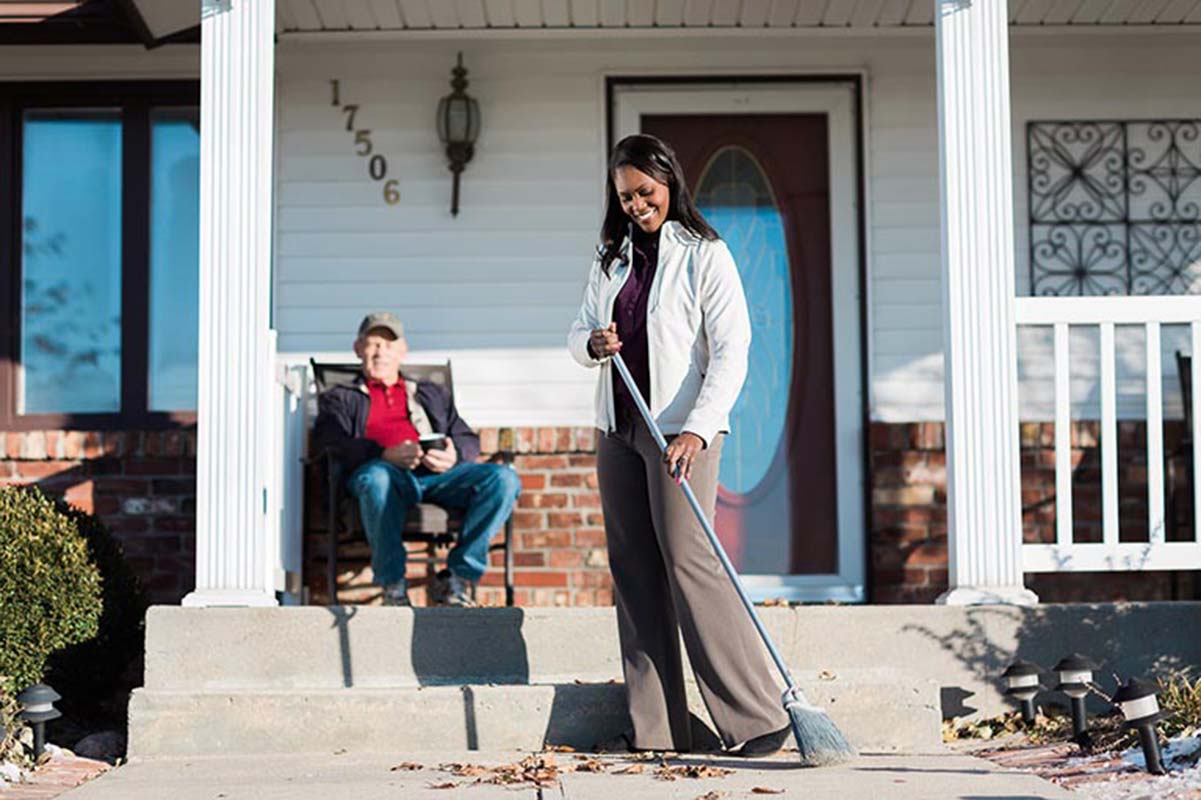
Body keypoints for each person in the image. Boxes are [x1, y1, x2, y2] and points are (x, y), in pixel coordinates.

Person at [568, 134, 790, 757]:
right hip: (619, 425)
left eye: (646, 192)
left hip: (680, 430)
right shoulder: (610, 257)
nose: (637, 205)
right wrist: (591, 344)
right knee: (634, 572)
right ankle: (658, 730)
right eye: (625, 196)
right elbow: (579, 328)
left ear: (669, 182)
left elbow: (733, 351)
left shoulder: (705, 254)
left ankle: (756, 719)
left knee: (691, 563)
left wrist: (697, 426)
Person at [315, 311, 521, 607]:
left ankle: (457, 577)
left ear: (402, 352)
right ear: (358, 348)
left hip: (438, 477)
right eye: (373, 344)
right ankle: (393, 585)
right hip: (385, 476)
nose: (380, 353)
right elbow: (329, 443)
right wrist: (381, 453)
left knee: (504, 479)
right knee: (376, 477)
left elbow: (466, 437)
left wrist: (454, 455)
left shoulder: (429, 393)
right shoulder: (341, 398)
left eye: (388, 345)